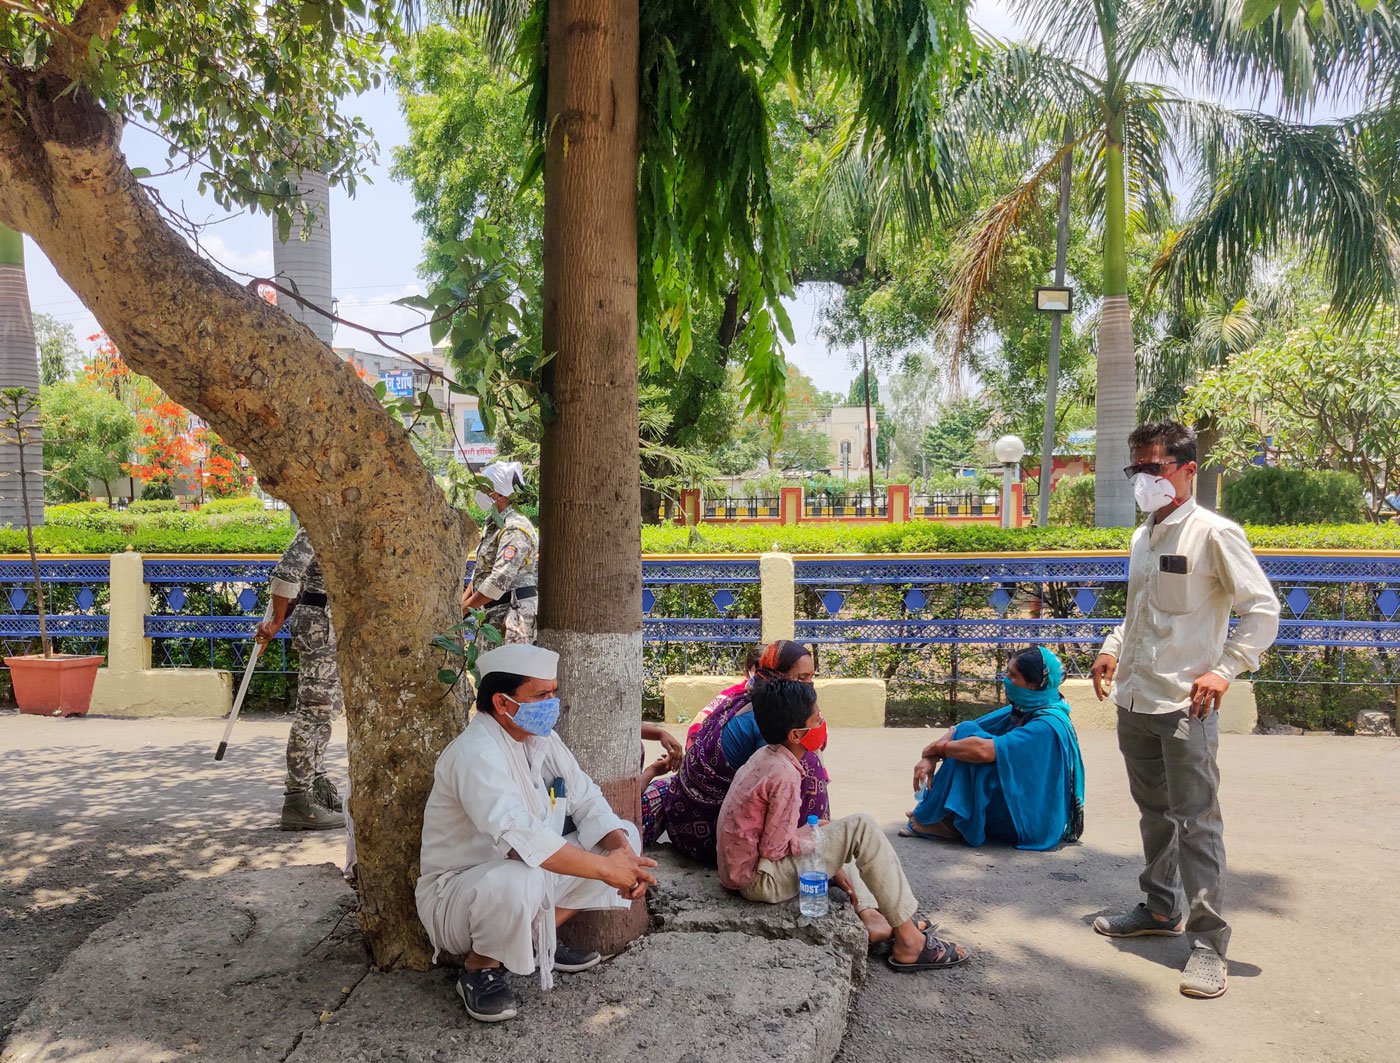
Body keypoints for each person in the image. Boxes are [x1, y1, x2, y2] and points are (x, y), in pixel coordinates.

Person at [1089, 421, 1279, 1001]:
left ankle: (1207, 945)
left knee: (1196, 821)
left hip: (1184, 704)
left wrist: (1225, 668)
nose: (1143, 480)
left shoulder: (1214, 534)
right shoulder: (1142, 538)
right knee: (1153, 811)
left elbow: (1262, 609)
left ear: (1187, 468)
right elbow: (1141, 612)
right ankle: (1159, 907)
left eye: (1154, 468)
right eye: (1136, 470)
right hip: (1135, 696)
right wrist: (1111, 648)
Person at [416, 643, 658, 1024]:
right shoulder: (474, 753)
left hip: (525, 875)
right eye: (542, 695)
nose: (553, 703)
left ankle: (535, 938)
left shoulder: (539, 737)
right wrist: (609, 872)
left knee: (622, 835)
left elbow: (586, 798)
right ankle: (479, 968)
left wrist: (620, 854)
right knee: (521, 877)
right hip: (459, 895)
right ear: (502, 702)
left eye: (553, 692)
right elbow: (521, 840)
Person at [717, 678, 970, 972]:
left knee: (840, 831)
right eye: (818, 719)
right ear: (797, 734)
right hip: (760, 880)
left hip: (745, 870)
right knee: (860, 828)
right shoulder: (784, 774)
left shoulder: (766, 757)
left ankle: (875, 916)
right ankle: (910, 942)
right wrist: (812, 839)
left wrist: (815, 835)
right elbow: (774, 849)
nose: (824, 722)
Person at [645, 639, 830, 858]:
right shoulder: (770, 725)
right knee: (806, 768)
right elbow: (776, 795)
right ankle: (815, 851)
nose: (809, 685)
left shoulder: (740, 699)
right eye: (801, 678)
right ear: (777, 677)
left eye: (811, 677)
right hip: (712, 836)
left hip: (681, 816)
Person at [901, 646, 1085, 850]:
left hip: (1027, 821)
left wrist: (935, 749)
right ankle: (935, 815)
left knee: (975, 751)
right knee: (969, 733)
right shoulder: (1028, 707)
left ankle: (942, 822)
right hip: (1017, 804)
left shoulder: (1047, 725)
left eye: (1013, 675)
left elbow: (982, 750)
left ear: (1034, 684)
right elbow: (961, 728)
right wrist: (930, 758)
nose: (1006, 680)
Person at [255, 524, 345, 832]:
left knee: (327, 711)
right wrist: (276, 620)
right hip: (321, 625)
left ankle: (316, 782)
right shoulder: (316, 523)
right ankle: (297, 798)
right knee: (313, 712)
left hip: (334, 624)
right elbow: (287, 574)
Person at [462, 461, 539, 648]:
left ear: (497, 494)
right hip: (493, 612)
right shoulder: (495, 525)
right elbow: (482, 571)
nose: (479, 493)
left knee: (507, 675)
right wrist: (462, 605)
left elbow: (498, 581)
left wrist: (464, 609)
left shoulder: (515, 528)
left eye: (483, 488)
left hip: (512, 615)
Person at [684, 644, 765, 749]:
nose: (766, 676)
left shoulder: (785, 696)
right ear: (747, 672)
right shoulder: (730, 696)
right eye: (760, 671)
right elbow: (698, 723)